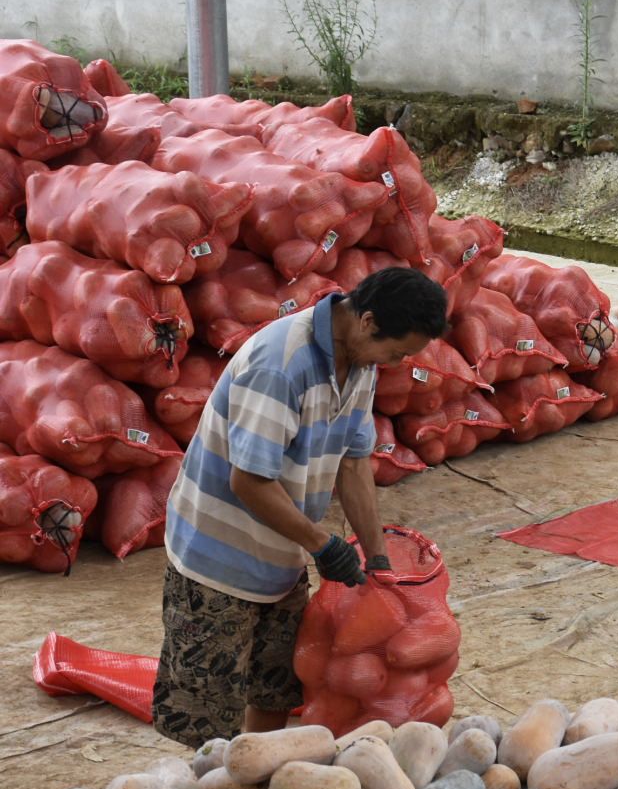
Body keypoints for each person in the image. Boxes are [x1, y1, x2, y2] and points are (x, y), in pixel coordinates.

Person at [152, 267, 451, 748]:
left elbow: (354, 465)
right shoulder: (281, 364)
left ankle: (259, 778)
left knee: (274, 684)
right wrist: (323, 544)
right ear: (368, 321)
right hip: (217, 555)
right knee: (206, 705)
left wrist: (376, 554)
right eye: (397, 352)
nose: (396, 363)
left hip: (281, 550)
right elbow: (249, 481)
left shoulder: (361, 365)